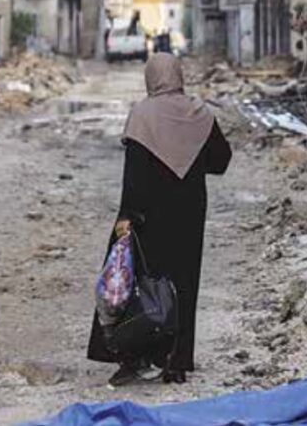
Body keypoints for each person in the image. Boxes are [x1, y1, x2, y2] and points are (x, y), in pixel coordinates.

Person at [87, 53, 232, 388]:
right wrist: (189, 162)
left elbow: (134, 173)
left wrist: (126, 216)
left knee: (142, 283)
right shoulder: (200, 113)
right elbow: (221, 160)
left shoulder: (142, 115)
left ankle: (139, 355)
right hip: (190, 211)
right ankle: (177, 361)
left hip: (149, 214)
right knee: (184, 283)